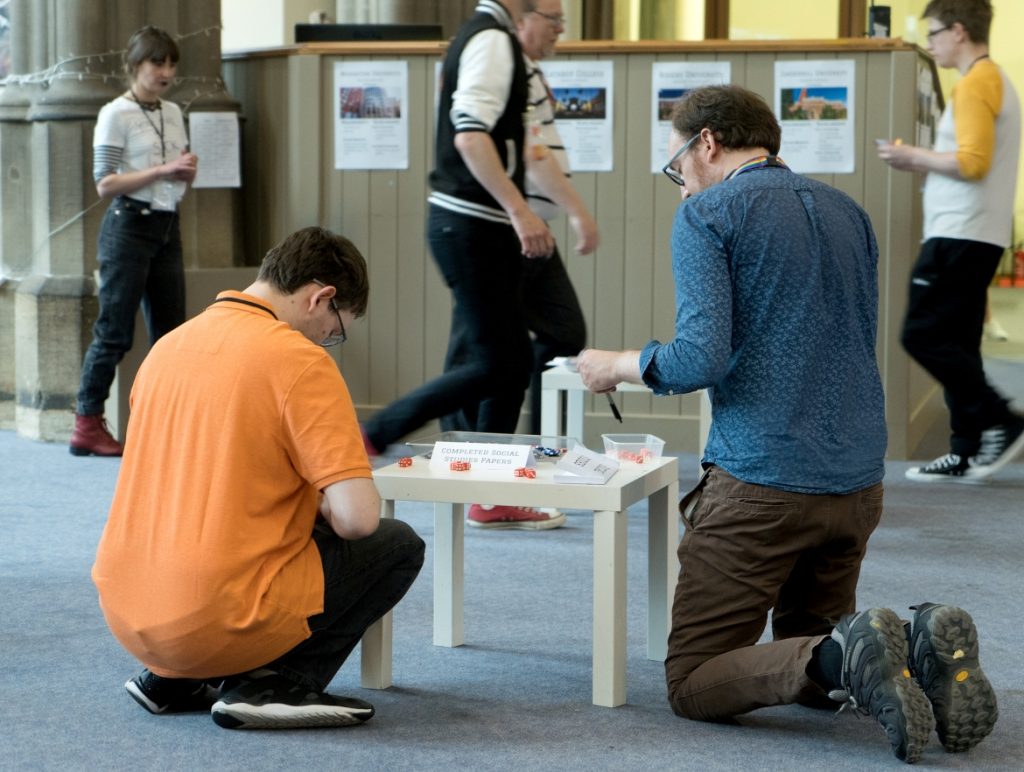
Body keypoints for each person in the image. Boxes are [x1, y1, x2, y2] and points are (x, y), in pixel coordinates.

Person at [577, 85, 997, 762]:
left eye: (676, 166)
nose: (679, 183)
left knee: (692, 680)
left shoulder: (708, 215)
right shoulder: (848, 212)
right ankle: (914, 645)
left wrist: (616, 364)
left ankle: (856, 650)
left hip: (764, 482)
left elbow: (698, 358)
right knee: (813, 663)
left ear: (706, 143)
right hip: (858, 482)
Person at [92, 226, 425, 730]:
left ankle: (173, 678)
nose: (328, 341)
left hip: (128, 613)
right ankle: (276, 683)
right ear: (322, 297)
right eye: (336, 329)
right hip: (212, 616)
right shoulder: (299, 361)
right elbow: (358, 519)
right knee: (396, 543)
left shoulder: (168, 346)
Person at [361, 0, 564, 530]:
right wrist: (522, 213)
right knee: (501, 362)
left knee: (508, 360)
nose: (559, 24)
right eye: (554, 14)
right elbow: (470, 135)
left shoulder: (484, 35)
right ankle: (378, 432)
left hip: (475, 225)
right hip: (471, 224)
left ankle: (490, 492)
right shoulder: (493, 40)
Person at [878, 0, 1024, 482]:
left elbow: (972, 162)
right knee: (959, 341)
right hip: (974, 233)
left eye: (935, 33)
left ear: (959, 32)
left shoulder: (977, 82)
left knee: (921, 335)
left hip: (959, 233)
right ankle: (964, 449)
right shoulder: (993, 80)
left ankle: (1002, 418)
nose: (931, 42)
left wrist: (912, 158)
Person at [70, 26, 199, 457]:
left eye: (171, 64)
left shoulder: (174, 112)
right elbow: (105, 183)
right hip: (127, 225)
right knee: (115, 332)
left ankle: (165, 423)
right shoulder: (115, 114)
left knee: (171, 335)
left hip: (167, 225)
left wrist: (184, 171)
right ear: (134, 66)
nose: (165, 72)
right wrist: (163, 171)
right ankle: (87, 422)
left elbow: (178, 172)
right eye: (156, 63)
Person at [517, 0, 599, 434]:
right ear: (522, 18)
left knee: (564, 332)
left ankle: (544, 446)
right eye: (553, 21)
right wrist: (577, 212)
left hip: (533, 225)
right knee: (483, 355)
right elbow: (532, 154)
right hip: (512, 227)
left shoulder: (529, 71)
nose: (559, 31)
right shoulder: (507, 68)